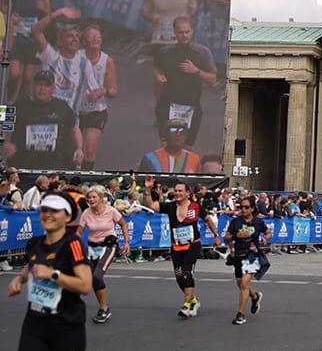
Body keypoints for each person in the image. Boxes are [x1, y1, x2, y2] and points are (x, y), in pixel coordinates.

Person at [6, 191, 92, 351]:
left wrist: (53, 275)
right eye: (44, 210)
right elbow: (32, 264)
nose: (48, 215)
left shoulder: (73, 244)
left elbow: (85, 285)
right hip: (34, 323)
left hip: (66, 325)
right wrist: (19, 279)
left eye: (54, 211)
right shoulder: (34, 243)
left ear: (67, 216)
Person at [143, 175, 220, 317]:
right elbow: (151, 206)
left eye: (180, 191)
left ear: (187, 193)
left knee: (186, 272)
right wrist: (148, 189)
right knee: (179, 278)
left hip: (193, 245)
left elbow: (208, 219)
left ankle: (186, 305)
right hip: (176, 247)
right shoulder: (170, 206)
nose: (177, 193)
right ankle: (194, 301)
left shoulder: (196, 207)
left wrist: (216, 235)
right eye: (176, 191)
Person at [153, 15, 217, 146]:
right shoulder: (165, 52)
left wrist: (196, 71)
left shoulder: (202, 52)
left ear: (192, 31)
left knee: (186, 150)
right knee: (167, 147)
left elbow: (212, 79)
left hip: (191, 106)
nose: (184, 35)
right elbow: (157, 68)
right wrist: (159, 76)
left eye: (187, 32)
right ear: (175, 32)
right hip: (168, 104)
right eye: (181, 32)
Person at [2, 70, 83, 171]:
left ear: (53, 88)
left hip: (55, 165)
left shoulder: (62, 106)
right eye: (39, 84)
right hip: (23, 163)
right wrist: (4, 144)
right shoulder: (18, 105)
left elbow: (74, 127)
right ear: (33, 86)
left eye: (46, 85)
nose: (42, 88)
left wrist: (79, 148)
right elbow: (2, 124)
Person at [78, 185, 129, 324]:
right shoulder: (86, 213)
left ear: (101, 198)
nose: (91, 200)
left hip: (108, 245)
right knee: (90, 279)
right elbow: (79, 233)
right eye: (89, 197)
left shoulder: (111, 211)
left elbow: (123, 225)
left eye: (94, 197)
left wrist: (126, 243)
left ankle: (103, 308)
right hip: (92, 248)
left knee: (97, 276)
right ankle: (104, 308)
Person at [224, 195, 271, 325]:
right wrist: (235, 235)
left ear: (252, 209)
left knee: (244, 283)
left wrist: (265, 238)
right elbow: (226, 238)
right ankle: (255, 297)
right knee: (240, 284)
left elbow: (268, 232)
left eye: (246, 207)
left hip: (252, 255)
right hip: (238, 255)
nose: (243, 209)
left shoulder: (258, 222)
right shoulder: (236, 222)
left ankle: (240, 314)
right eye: (241, 207)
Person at [77, 24, 118, 171]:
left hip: (97, 110)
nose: (95, 39)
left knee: (89, 152)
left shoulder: (107, 60)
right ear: (84, 41)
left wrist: (103, 91)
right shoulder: (77, 56)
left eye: (98, 36)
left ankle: (85, 180)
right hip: (75, 108)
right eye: (90, 36)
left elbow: (114, 90)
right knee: (73, 151)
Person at [138, 119, 203, 174]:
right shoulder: (150, 159)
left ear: (186, 136)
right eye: (173, 130)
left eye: (182, 131)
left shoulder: (194, 159)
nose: (178, 134)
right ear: (165, 135)